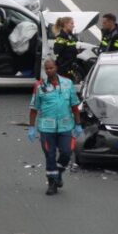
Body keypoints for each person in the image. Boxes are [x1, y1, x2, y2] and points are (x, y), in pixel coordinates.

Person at [28, 59, 82, 195]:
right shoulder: (40, 86)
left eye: (51, 68)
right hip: (46, 128)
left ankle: (58, 173)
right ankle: (52, 183)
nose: (49, 71)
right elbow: (34, 108)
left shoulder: (67, 83)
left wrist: (78, 124)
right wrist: (32, 127)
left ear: (56, 68)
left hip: (65, 126)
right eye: (46, 69)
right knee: (50, 156)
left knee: (66, 153)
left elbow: (75, 106)